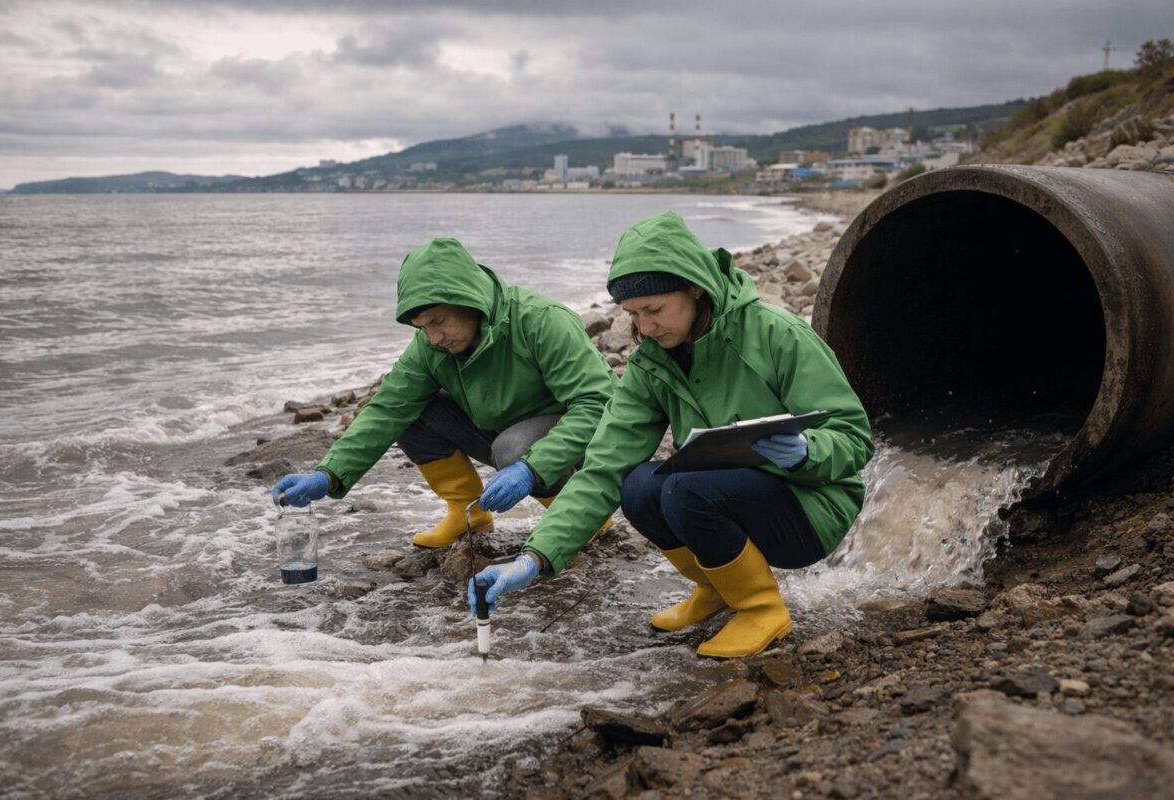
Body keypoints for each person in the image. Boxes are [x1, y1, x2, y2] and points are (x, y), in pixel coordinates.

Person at [470, 211, 873, 658]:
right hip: (723, 495)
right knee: (638, 485)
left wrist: (805, 452)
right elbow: (604, 466)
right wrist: (535, 557)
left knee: (683, 487)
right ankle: (718, 588)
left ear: (694, 287)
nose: (644, 328)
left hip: (811, 506)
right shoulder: (651, 363)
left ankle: (761, 610)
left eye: (655, 310)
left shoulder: (778, 334)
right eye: (632, 314)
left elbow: (855, 438)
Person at [272, 237, 616, 548]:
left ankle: (578, 516)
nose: (433, 338)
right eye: (422, 328)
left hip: (577, 442)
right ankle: (468, 513)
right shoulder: (430, 345)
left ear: (470, 301)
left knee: (513, 448)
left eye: (438, 322)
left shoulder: (541, 321)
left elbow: (598, 404)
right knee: (411, 413)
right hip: (502, 431)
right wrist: (328, 474)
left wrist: (530, 467)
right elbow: (388, 408)